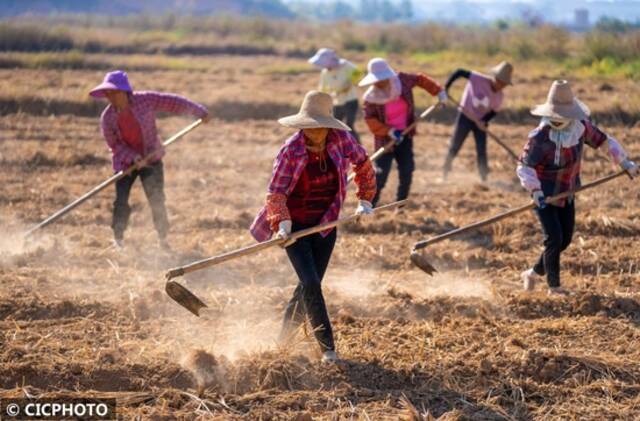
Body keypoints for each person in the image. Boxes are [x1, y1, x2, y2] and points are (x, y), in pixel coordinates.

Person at [250, 91, 376, 363]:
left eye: (319, 126)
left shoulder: (341, 139)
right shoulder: (291, 151)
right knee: (310, 283)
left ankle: (282, 343)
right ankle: (328, 348)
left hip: (326, 224)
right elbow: (276, 193)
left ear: (328, 126)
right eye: (310, 126)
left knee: (308, 286)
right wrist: (282, 224)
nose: (315, 132)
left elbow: (364, 164)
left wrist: (365, 199)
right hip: (294, 227)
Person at [517, 80, 638, 296]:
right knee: (553, 237)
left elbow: (605, 142)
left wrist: (625, 163)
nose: (558, 119)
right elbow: (525, 166)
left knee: (564, 240)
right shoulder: (540, 137)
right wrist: (535, 191)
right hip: (543, 195)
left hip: (567, 191)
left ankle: (532, 273)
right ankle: (554, 287)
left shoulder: (581, 128)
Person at [89, 70, 209, 250]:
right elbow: (114, 145)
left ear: (124, 91)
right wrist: (133, 158)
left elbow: (173, 102)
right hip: (125, 164)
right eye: (108, 93)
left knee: (157, 199)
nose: (110, 97)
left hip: (152, 157)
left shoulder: (145, 100)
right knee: (121, 201)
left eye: (113, 92)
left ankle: (163, 239)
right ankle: (118, 240)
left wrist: (199, 111)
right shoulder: (107, 118)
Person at [359, 58, 447, 206]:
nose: (379, 83)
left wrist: (439, 92)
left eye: (382, 79)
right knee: (380, 176)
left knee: (406, 171)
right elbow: (369, 119)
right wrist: (389, 131)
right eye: (376, 80)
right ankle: (369, 207)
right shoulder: (371, 98)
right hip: (384, 139)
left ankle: (400, 205)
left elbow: (420, 79)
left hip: (405, 134)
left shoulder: (402, 81)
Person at [442, 61, 513, 182]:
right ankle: (445, 173)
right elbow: (459, 71)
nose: (500, 86)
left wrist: (484, 121)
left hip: (481, 122)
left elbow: (493, 112)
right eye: (499, 82)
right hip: (465, 116)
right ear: (494, 78)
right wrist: (446, 88)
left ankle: (483, 178)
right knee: (455, 145)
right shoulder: (478, 79)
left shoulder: (499, 96)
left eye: (504, 84)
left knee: (481, 149)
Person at [309, 48, 362, 142]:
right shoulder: (325, 72)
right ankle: (341, 146)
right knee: (336, 126)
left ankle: (357, 147)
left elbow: (358, 73)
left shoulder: (345, 65)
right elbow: (322, 89)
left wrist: (350, 83)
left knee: (349, 125)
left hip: (351, 100)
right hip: (337, 102)